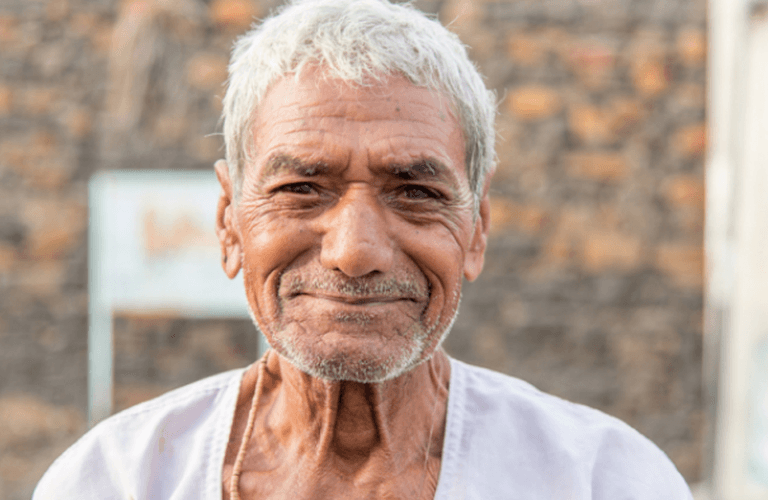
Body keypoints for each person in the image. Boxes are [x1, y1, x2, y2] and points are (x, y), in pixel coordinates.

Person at [34, 0, 694, 498]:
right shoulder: (116, 481)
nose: (355, 252)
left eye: (414, 192)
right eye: (301, 189)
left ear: (478, 225)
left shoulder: (604, 481)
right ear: (229, 222)